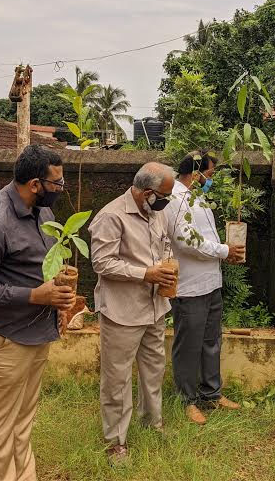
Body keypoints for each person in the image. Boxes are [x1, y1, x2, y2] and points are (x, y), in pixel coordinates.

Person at [0, 144, 75, 481]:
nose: (60, 189)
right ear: (34, 184)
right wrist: (33, 295)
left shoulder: (45, 215)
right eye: (56, 184)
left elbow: (43, 267)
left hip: (36, 334)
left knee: (23, 422)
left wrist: (60, 295)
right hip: (5, 338)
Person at [89, 162, 175, 463]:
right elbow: (102, 263)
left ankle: (152, 423)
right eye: (164, 195)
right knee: (117, 378)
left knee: (153, 370)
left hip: (154, 307)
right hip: (123, 311)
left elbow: (163, 248)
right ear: (147, 192)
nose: (167, 200)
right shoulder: (111, 216)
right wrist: (145, 273)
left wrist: (166, 265)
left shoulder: (157, 213)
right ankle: (116, 441)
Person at [164, 151, 245, 425]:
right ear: (196, 174)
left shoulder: (199, 198)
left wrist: (224, 252)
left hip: (211, 283)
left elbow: (206, 237)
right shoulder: (175, 200)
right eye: (209, 175)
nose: (210, 180)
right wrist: (225, 251)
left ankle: (211, 394)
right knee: (188, 345)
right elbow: (187, 242)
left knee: (211, 341)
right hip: (189, 286)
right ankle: (186, 400)